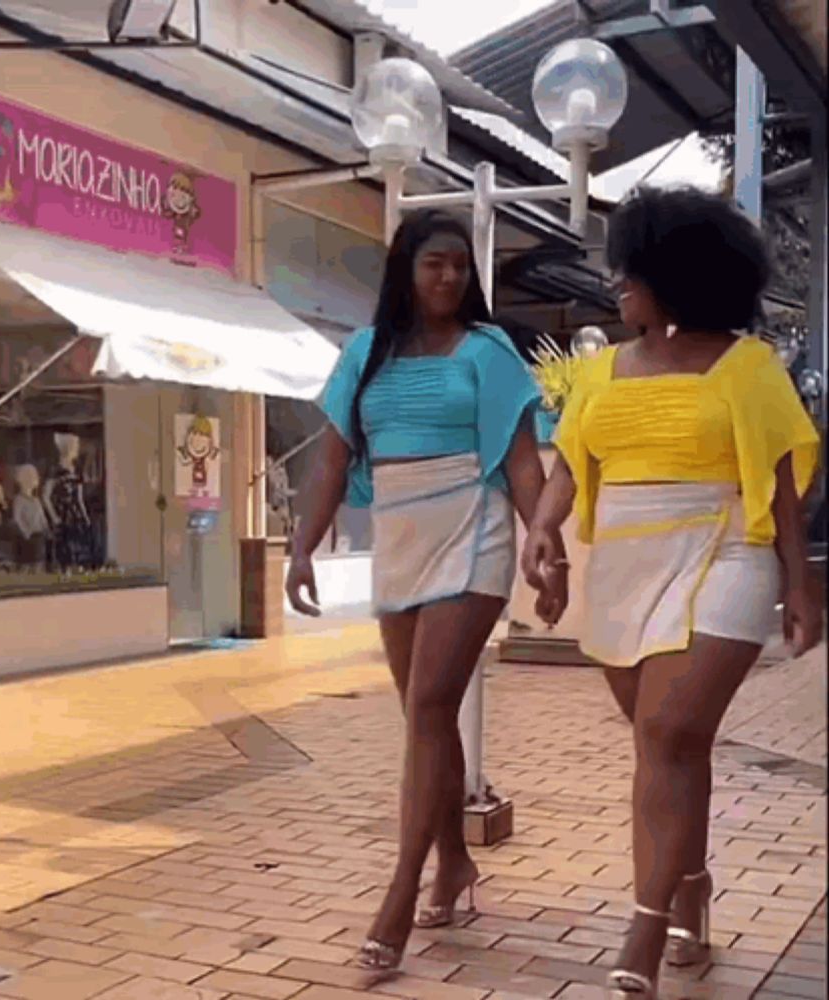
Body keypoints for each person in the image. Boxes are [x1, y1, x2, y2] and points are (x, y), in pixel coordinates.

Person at [521, 186, 821, 999]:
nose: (618, 285)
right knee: (668, 748)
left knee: (667, 729)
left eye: (632, 272)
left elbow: (782, 479)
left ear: (677, 275)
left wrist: (800, 585)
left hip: (725, 550)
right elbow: (570, 468)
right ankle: (690, 889)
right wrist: (544, 531)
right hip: (623, 566)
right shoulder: (601, 371)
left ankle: (645, 926)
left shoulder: (747, 367)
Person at [286, 209, 545, 972]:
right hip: (399, 536)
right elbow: (331, 463)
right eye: (435, 263)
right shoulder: (366, 354)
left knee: (431, 704)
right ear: (406, 268)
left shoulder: (489, 352)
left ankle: (403, 888)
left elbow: (522, 461)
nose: (449, 277)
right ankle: (456, 861)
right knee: (424, 716)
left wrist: (544, 544)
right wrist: (301, 548)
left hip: (474, 527)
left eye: (459, 267)